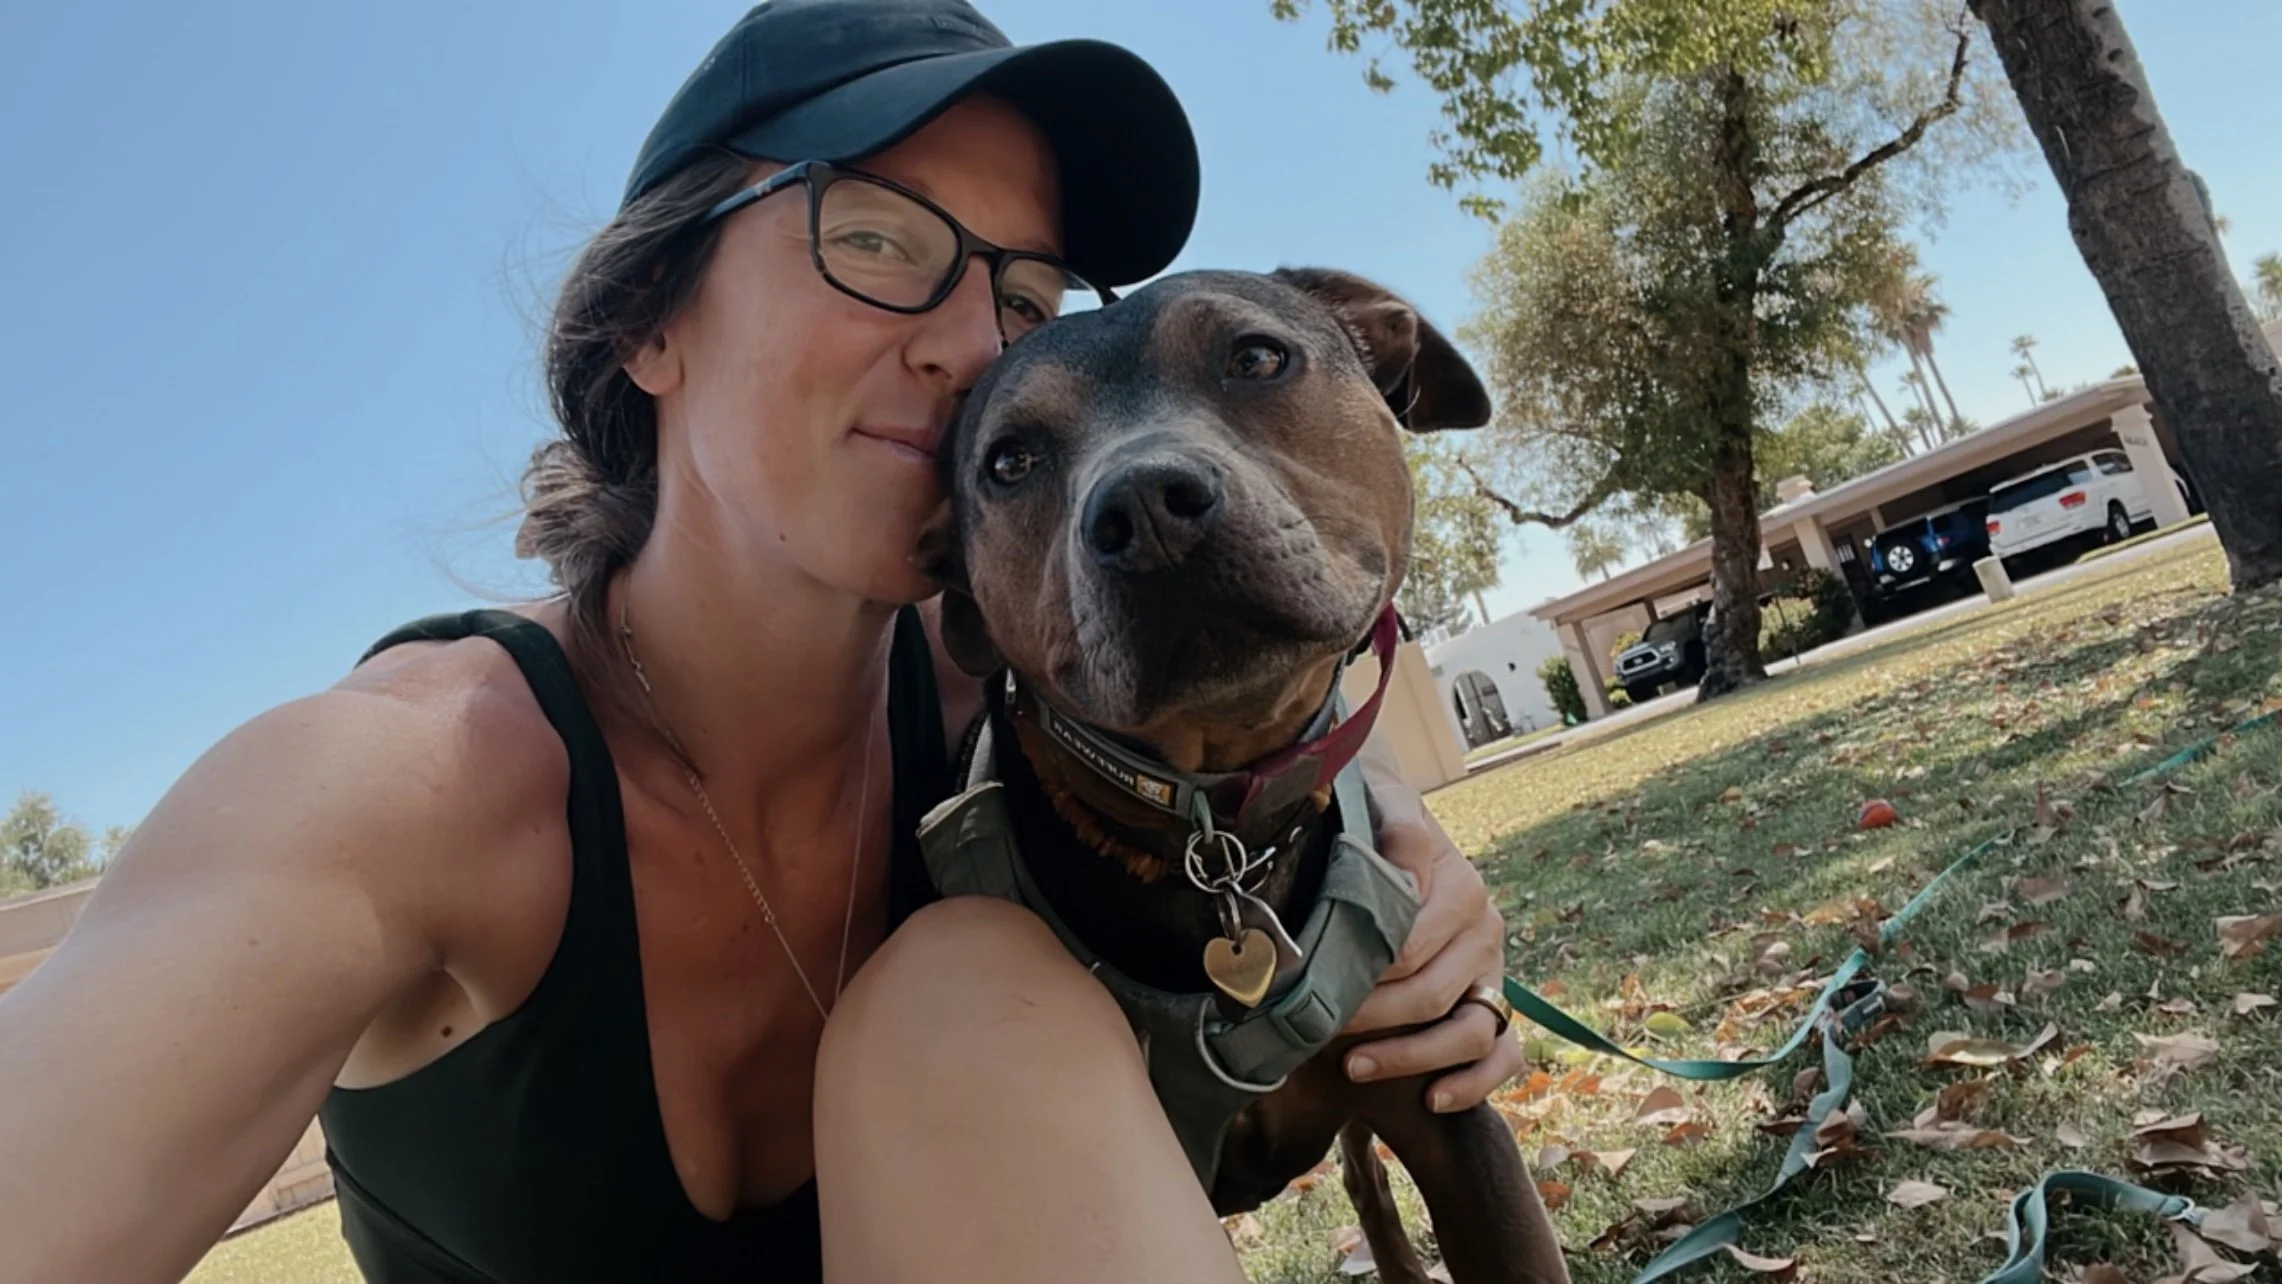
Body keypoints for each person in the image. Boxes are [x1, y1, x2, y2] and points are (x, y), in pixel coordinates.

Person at [0, 2, 1526, 1281]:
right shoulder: (395, 788)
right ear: (646, 323)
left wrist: (1398, 853)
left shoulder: (1020, 713)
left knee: (958, 989)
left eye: (1028, 291)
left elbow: (1250, 733)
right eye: (872, 237)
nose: (970, 345)